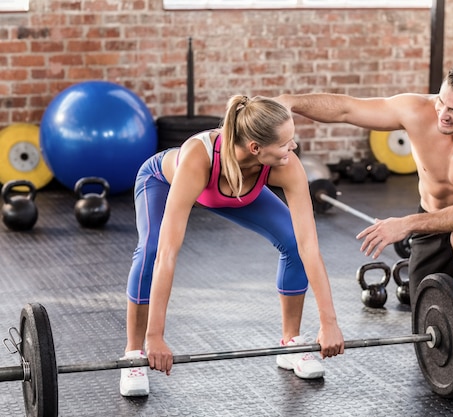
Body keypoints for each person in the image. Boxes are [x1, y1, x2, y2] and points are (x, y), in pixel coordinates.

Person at [275, 62, 453, 387]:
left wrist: (405, 225)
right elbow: (347, 109)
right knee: (435, 312)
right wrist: (290, 101)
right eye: (441, 102)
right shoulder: (418, 110)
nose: (442, 114)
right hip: (432, 218)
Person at [120, 95, 345, 397]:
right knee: (150, 250)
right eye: (285, 143)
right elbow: (167, 255)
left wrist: (329, 323)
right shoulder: (199, 160)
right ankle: (133, 354)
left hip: (237, 191)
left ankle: (290, 344)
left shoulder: (286, 165)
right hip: (163, 181)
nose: (293, 148)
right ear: (256, 148)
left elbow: (309, 247)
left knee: (293, 243)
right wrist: (155, 337)